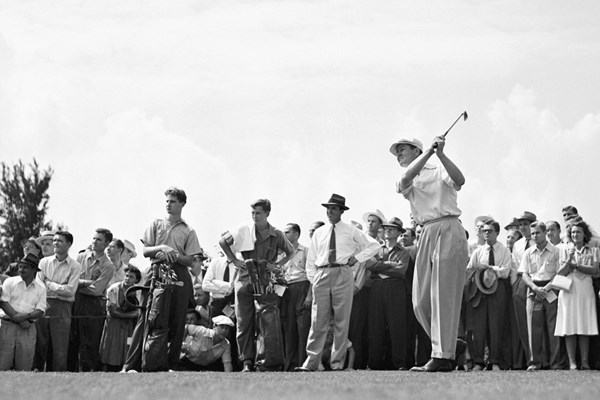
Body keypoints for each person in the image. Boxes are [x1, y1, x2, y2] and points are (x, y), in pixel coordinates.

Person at [390, 136, 468, 372]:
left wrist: (440, 154)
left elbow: (460, 180)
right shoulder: (409, 177)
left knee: (442, 296)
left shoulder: (439, 168)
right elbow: (405, 179)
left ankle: (442, 357)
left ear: (416, 150)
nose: (398, 155)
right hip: (426, 233)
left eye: (402, 150)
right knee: (420, 301)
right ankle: (450, 345)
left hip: (449, 227)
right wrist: (430, 153)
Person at [296, 194, 380, 372]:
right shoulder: (319, 232)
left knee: (342, 320)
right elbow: (311, 260)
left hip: (343, 271)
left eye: (333, 208)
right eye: (328, 208)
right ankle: (311, 362)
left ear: (342, 211)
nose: (329, 211)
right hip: (322, 272)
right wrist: (315, 278)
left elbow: (374, 246)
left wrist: (356, 258)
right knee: (318, 320)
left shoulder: (350, 230)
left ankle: (337, 363)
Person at [124, 187, 203, 372]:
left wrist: (173, 255)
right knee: (146, 318)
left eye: (173, 201)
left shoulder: (189, 229)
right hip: (156, 271)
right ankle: (130, 365)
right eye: (167, 201)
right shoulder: (156, 224)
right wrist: (163, 248)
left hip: (179, 274)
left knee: (177, 319)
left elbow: (190, 260)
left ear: (182, 204)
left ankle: (171, 365)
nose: (168, 204)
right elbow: (145, 251)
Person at [219, 198, 294, 372]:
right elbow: (223, 241)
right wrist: (234, 260)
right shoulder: (243, 229)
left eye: (258, 213)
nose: (254, 216)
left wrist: (276, 265)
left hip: (266, 280)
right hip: (244, 277)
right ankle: (247, 362)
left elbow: (290, 252)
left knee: (267, 320)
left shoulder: (277, 234)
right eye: (252, 212)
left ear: (267, 213)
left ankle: (266, 361)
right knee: (244, 322)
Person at [464, 220, 512, 371]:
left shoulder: (503, 250)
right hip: (479, 290)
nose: (486, 234)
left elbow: (505, 271)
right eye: (484, 231)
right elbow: (470, 269)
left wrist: (490, 269)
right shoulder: (478, 251)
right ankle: (479, 361)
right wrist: (480, 273)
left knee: (496, 325)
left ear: (497, 233)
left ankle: (495, 361)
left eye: (490, 231)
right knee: (479, 326)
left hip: (497, 289)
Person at [366, 217, 412, 370]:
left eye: (392, 228)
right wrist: (389, 264)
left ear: (399, 232)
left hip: (395, 289)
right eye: (386, 228)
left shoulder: (404, 252)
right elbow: (369, 265)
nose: (388, 230)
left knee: (397, 326)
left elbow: (401, 271)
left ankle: (400, 363)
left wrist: (379, 266)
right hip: (377, 288)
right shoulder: (376, 248)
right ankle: (375, 363)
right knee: (376, 325)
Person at [68, 228, 115, 372]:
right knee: (72, 337)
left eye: (99, 239)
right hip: (76, 301)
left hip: (92, 305)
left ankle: (89, 371)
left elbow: (96, 290)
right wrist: (83, 283)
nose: (94, 242)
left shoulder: (108, 266)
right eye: (94, 238)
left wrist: (77, 284)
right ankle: (69, 370)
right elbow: (71, 278)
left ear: (107, 243)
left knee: (89, 340)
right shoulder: (81, 257)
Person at [34, 231, 81, 372]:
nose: (55, 243)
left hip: (63, 306)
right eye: (54, 240)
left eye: (59, 240)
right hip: (43, 304)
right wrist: (58, 287)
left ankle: (59, 373)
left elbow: (70, 291)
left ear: (69, 244)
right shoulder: (43, 262)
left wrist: (50, 284)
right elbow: (38, 285)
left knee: (60, 344)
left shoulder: (75, 266)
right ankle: (36, 371)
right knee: (39, 341)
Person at [555, 221, 599, 370]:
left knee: (584, 325)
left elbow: (594, 270)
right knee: (570, 324)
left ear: (584, 234)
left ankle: (585, 362)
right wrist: (569, 260)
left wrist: (577, 266)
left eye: (578, 232)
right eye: (573, 233)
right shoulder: (565, 250)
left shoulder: (592, 250)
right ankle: (572, 362)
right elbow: (560, 273)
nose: (575, 235)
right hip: (569, 290)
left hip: (586, 290)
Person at [519, 221, 561, 371]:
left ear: (545, 233)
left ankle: (555, 363)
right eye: (533, 233)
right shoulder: (528, 252)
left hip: (551, 289)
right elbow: (524, 274)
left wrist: (547, 288)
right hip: (533, 289)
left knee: (553, 328)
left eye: (537, 233)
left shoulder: (555, 251)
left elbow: (559, 273)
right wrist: (535, 288)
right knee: (533, 328)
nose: (534, 236)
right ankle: (535, 363)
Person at [0, 253, 47, 371]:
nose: (21, 270)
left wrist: (23, 318)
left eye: (25, 267)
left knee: (24, 367)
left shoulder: (41, 288)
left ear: (34, 270)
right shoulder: (9, 282)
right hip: (7, 326)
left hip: (28, 328)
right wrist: (17, 318)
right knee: (3, 364)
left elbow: (40, 310)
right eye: (20, 267)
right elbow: (4, 303)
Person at [280, 223, 311, 371]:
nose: (284, 235)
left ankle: (302, 363)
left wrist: (309, 295)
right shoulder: (282, 254)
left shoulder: (306, 251)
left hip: (302, 287)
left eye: (287, 232)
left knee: (303, 328)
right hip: (286, 290)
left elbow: (312, 275)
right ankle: (289, 364)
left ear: (296, 234)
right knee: (289, 328)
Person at [99, 266, 142, 371]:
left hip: (129, 325)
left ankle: (125, 367)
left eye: (131, 277)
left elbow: (141, 311)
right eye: (126, 276)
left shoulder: (139, 292)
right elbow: (113, 312)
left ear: (136, 280)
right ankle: (107, 369)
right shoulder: (113, 289)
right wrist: (133, 315)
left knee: (127, 347)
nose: (127, 278)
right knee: (111, 347)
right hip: (114, 323)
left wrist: (135, 314)